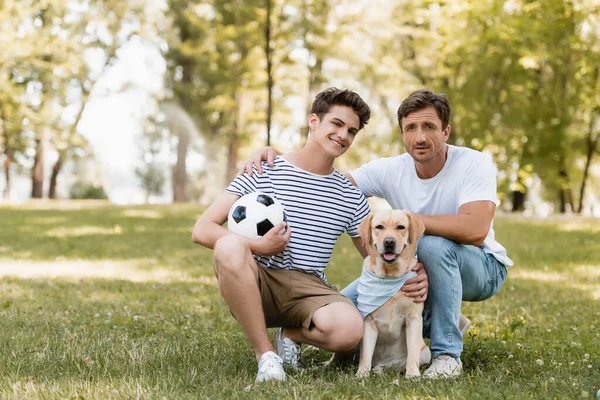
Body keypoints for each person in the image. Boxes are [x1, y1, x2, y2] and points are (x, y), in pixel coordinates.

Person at [240, 89, 513, 379]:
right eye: (411, 128)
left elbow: (475, 229)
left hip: (480, 268)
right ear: (402, 134)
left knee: (432, 246)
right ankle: (292, 334)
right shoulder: (390, 169)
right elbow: (329, 180)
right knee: (345, 307)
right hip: (408, 267)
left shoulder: (473, 163)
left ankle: (447, 355)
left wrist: (413, 221)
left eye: (429, 127)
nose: (420, 137)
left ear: (446, 131)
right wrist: (282, 159)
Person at [192, 88, 373, 383]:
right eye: (337, 124)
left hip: (310, 288)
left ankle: (290, 334)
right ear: (314, 121)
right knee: (228, 246)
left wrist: (413, 273)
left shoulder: (349, 194)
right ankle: (266, 356)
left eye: (351, 131)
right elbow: (202, 229)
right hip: (258, 280)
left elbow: (374, 253)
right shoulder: (264, 169)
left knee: (349, 330)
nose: (343, 135)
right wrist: (259, 246)